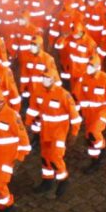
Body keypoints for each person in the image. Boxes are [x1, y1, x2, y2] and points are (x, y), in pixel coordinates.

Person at [25, 69, 80, 198]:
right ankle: (47, 180)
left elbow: (75, 116)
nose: (45, 80)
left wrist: (74, 132)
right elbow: (33, 109)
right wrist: (27, 124)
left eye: (48, 78)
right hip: (46, 131)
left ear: (54, 80)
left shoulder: (63, 95)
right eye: (43, 77)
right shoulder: (38, 91)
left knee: (55, 157)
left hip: (59, 132)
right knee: (45, 156)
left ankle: (63, 179)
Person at [78, 55, 106, 173]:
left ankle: (102, 149)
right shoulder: (84, 78)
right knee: (89, 138)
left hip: (103, 111)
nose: (89, 67)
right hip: (89, 112)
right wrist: (82, 112)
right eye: (88, 65)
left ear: (98, 67)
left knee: (94, 132)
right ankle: (95, 160)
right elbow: (81, 96)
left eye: (91, 66)